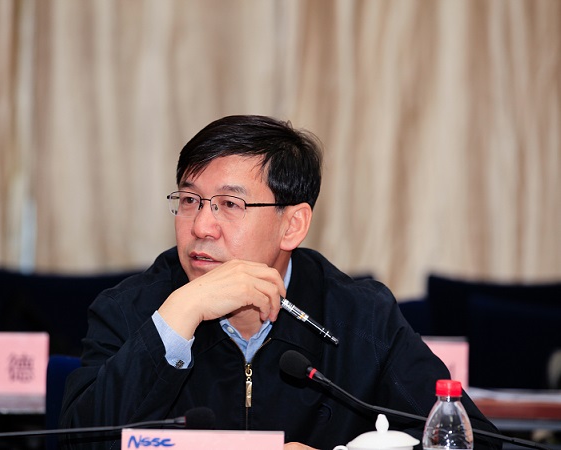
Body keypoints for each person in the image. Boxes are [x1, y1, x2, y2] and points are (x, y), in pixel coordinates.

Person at [60, 115, 500, 450]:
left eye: (229, 204)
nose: (201, 226)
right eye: (190, 200)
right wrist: (180, 316)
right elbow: (79, 441)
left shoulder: (360, 316)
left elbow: (472, 440)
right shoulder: (131, 309)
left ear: (292, 225)